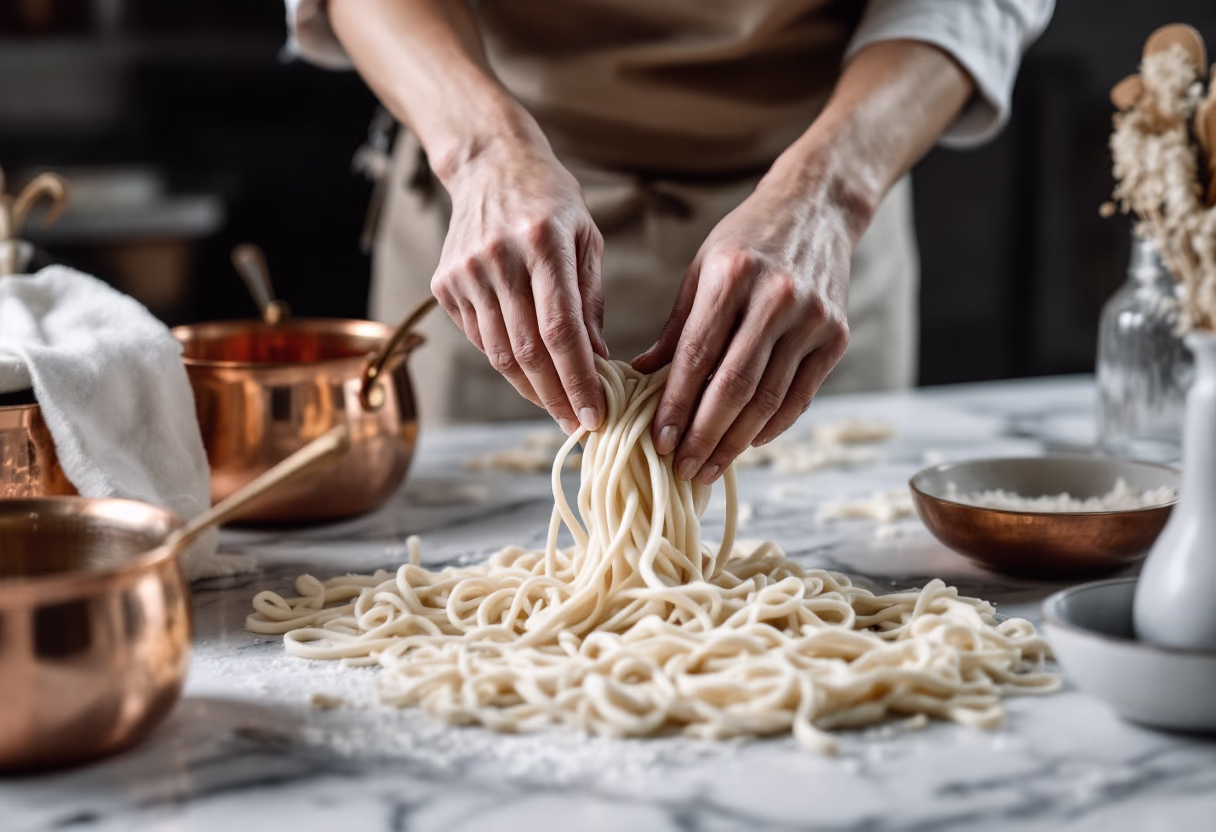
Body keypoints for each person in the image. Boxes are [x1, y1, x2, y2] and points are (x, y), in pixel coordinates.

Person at [286, 0, 1053, 484]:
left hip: (815, 196)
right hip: (494, 204)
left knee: (828, 546)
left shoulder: (823, 199)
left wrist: (828, 194)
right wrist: (484, 153)